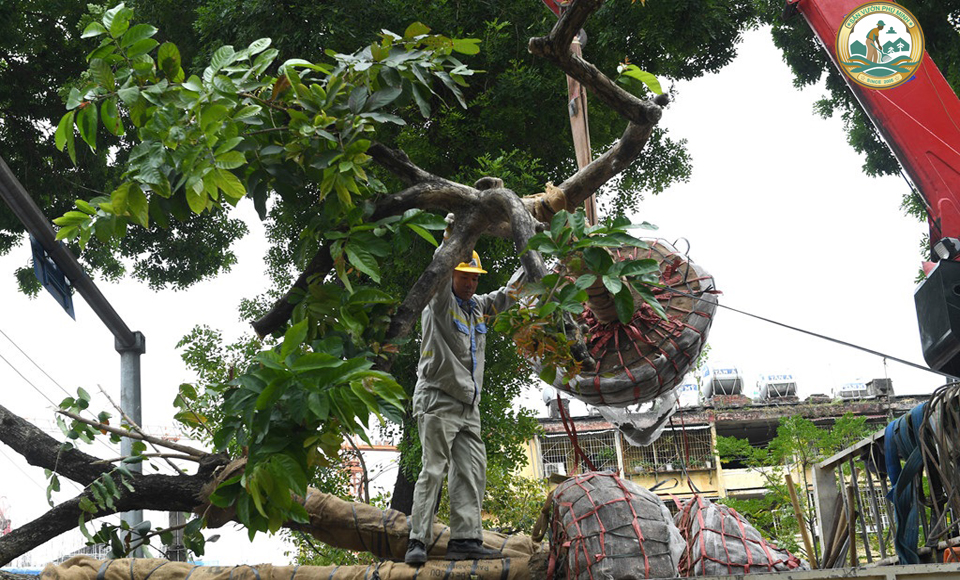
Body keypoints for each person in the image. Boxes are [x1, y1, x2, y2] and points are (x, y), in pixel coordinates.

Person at [404, 248, 524, 566]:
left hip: (469, 405)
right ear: (452, 276)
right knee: (433, 468)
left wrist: (537, 255)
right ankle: (418, 539)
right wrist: (453, 238)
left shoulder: (477, 308)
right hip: (438, 397)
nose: (470, 283)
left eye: (474, 278)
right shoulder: (439, 303)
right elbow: (440, 271)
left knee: (471, 469)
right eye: (464, 276)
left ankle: (465, 539)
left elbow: (509, 294)